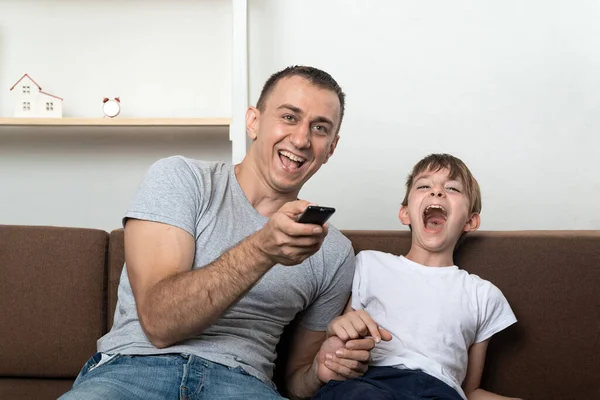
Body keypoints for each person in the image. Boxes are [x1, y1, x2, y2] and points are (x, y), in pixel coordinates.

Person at [59, 66, 373, 400]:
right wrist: (262, 250)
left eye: (320, 128)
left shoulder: (334, 253)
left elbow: (296, 381)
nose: (301, 139)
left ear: (331, 148)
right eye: (289, 117)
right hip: (132, 372)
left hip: (243, 385)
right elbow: (159, 323)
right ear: (253, 121)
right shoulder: (181, 179)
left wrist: (320, 371)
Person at [313, 154, 521, 400]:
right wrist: (337, 334)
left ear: (471, 220)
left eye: (452, 188)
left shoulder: (483, 294)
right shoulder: (369, 264)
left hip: (441, 391)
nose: (437, 193)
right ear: (405, 213)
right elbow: (344, 336)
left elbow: (470, 390)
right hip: (370, 382)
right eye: (424, 186)